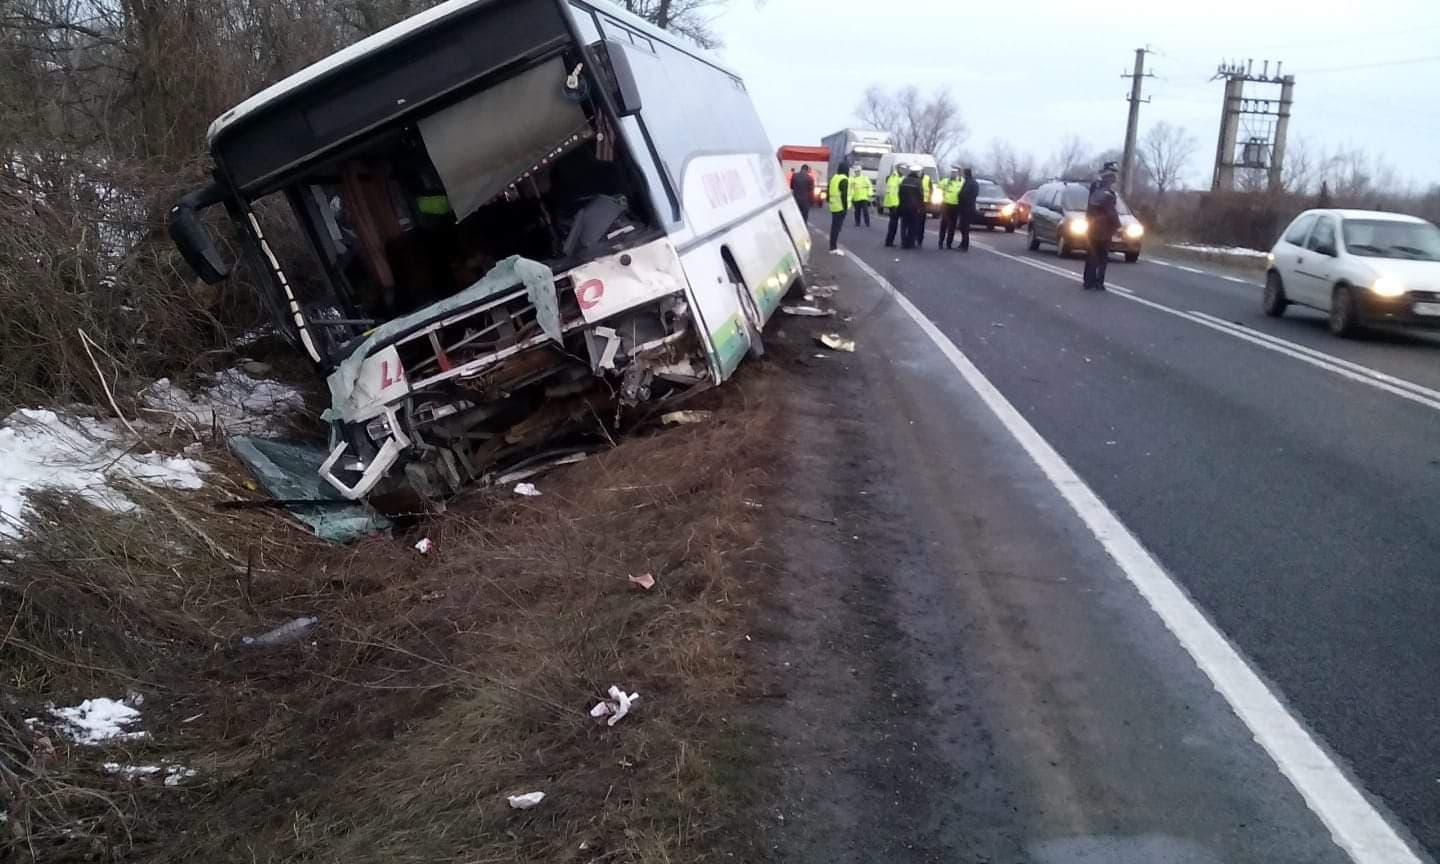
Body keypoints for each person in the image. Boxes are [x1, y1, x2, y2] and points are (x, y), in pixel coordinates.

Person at [1084, 166, 1121, 290]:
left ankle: (1088, 281)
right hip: (1103, 231)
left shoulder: (1094, 190)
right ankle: (1099, 283)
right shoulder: (1107, 194)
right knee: (1102, 259)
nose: (1114, 181)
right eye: (1113, 178)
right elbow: (1111, 212)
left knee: (1091, 257)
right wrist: (1118, 227)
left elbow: (1089, 210)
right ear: (1109, 180)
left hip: (1092, 229)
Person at [898, 168, 925, 250]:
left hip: (904, 206)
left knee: (904, 225)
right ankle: (910, 242)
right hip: (914, 207)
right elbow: (921, 195)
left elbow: (900, 193)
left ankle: (903, 242)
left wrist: (901, 203)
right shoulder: (918, 182)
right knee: (913, 225)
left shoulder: (904, 180)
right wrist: (920, 206)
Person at [827, 161, 850, 253]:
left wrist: (829, 200)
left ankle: (832, 245)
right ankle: (833, 247)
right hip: (840, 206)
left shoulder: (834, 178)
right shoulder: (844, 179)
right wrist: (845, 207)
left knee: (834, 227)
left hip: (833, 205)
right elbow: (844, 195)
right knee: (836, 228)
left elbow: (828, 191)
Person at [937, 168, 963, 249]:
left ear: (958, 174)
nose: (953, 174)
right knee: (944, 224)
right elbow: (938, 186)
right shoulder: (946, 181)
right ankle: (941, 241)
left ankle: (949, 243)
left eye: (955, 173)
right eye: (952, 173)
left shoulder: (962, 182)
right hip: (946, 204)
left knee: (952, 226)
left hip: (956, 205)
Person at [957, 168, 979, 251]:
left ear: (966, 174)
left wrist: (960, 196)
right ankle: (963, 243)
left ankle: (964, 245)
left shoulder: (969, 183)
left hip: (966, 208)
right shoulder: (974, 182)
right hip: (970, 207)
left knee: (964, 227)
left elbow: (964, 194)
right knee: (964, 227)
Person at [883, 166, 903, 247]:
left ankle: (889, 240)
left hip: (891, 203)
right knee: (893, 224)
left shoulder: (892, 177)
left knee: (892, 223)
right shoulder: (897, 178)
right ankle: (889, 241)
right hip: (895, 203)